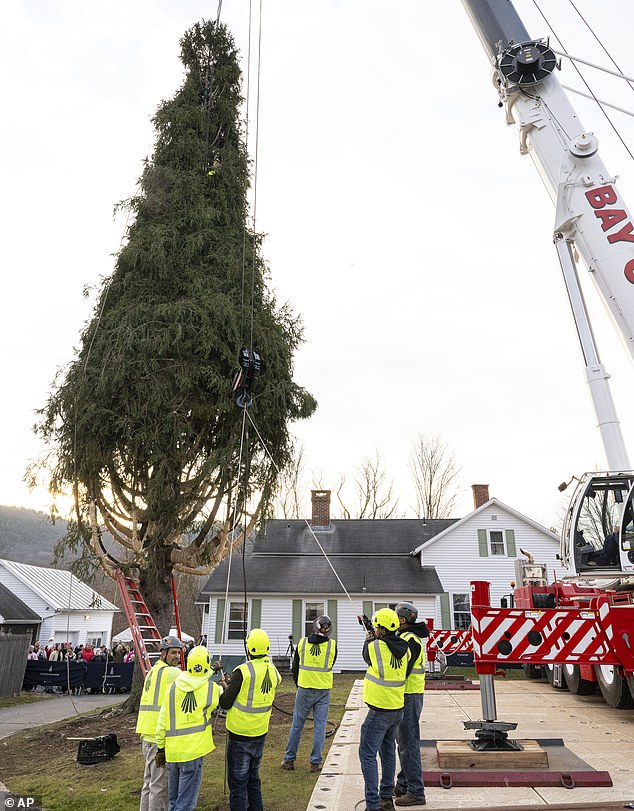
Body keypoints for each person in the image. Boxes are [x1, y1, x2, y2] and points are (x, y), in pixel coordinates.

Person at [220, 628, 282, 811]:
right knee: (253, 779)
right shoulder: (273, 670)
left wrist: (226, 688)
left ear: (249, 649)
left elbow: (225, 702)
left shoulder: (243, 671)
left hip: (240, 735)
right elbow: (272, 683)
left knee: (238, 785)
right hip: (260, 733)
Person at [155, 645, 222, 811]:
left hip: (172, 753)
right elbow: (224, 696)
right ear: (207, 665)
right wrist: (215, 673)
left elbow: (162, 721)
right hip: (193, 753)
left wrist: (160, 748)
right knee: (185, 805)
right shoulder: (212, 689)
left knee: (174, 802)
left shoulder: (172, 688)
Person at [359, 608, 412, 811]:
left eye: (377, 626)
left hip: (379, 710)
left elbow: (367, 654)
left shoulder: (377, 647)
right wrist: (374, 632)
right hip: (397, 709)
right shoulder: (405, 649)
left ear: (381, 628)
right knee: (388, 752)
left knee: (367, 753)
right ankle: (386, 798)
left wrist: (368, 636)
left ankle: (373, 805)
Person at [281, 614, 337, 773]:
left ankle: (289, 759)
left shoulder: (302, 643)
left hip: (304, 689)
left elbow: (295, 667)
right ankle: (315, 762)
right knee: (320, 726)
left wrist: (298, 684)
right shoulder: (332, 646)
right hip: (323, 691)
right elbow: (331, 663)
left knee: (297, 724)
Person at [135, 634, 183, 811]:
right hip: (158, 737)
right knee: (159, 786)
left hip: (147, 735)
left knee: (149, 783)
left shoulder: (153, 671)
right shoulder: (173, 673)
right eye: (173, 653)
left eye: (179, 653)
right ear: (163, 654)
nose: (177, 657)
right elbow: (191, 683)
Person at [393, 601, 428, 807]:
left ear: (403, 620)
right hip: (411, 695)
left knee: (408, 744)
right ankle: (404, 784)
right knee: (404, 742)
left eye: (396, 618)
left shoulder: (409, 640)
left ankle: (416, 791)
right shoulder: (408, 637)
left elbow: (400, 669)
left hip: (409, 696)